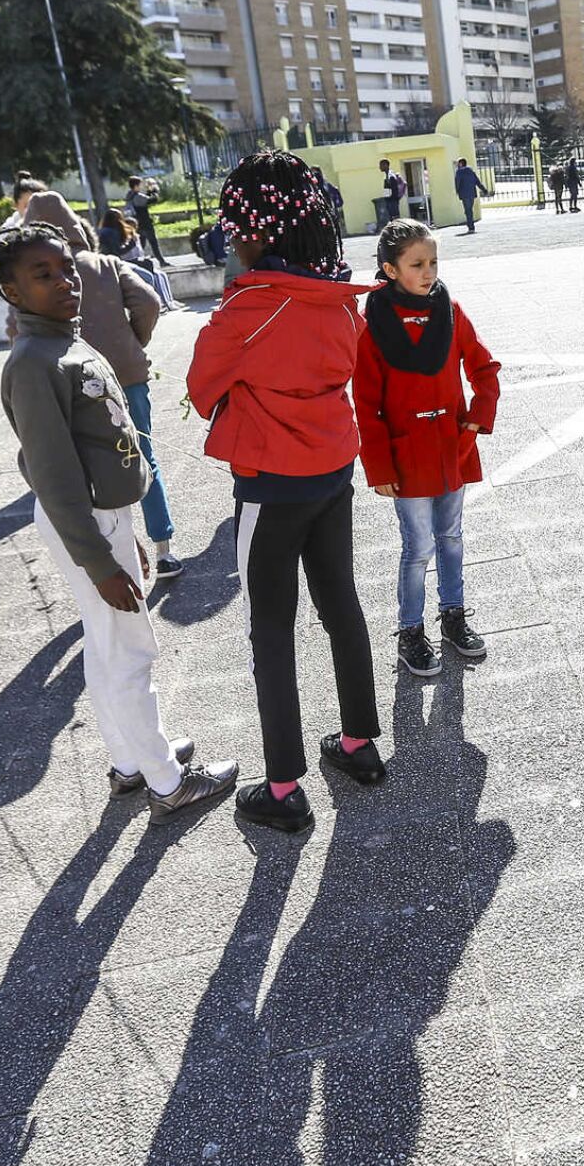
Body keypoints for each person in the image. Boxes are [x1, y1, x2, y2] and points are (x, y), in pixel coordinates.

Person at [0, 221, 238, 824]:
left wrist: (123, 536)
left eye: (66, 268)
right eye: (42, 276)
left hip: (104, 519)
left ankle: (130, 760)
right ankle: (168, 781)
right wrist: (100, 560)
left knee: (105, 648)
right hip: (86, 521)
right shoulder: (33, 361)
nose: (64, 281)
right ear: (12, 292)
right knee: (130, 649)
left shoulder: (64, 344)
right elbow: (52, 474)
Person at [187, 150, 385, 833]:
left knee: (270, 628)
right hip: (334, 470)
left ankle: (283, 786)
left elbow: (199, 388)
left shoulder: (248, 310)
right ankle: (359, 745)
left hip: (270, 486)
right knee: (341, 605)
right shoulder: (338, 299)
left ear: (253, 231)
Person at [9, 193, 186, 580]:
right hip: (128, 373)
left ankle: (116, 551)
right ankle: (164, 549)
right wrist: (132, 345)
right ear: (77, 225)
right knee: (142, 455)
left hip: (69, 385)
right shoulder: (105, 263)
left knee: (88, 468)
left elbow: (16, 332)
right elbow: (149, 301)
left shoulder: (27, 276)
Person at [354, 219, 502, 676]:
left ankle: (453, 616)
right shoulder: (371, 324)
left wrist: (478, 418)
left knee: (452, 538)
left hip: (450, 446)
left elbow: (484, 368)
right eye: (416, 264)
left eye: (433, 262)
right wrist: (379, 468)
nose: (428, 271)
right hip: (405, 454)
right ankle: (410, 632)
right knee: (417, 547)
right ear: (390, 269)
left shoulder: (451, 310)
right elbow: (365, 403)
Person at [125, 175, 162, 259]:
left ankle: (139, 259)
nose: (142, 187)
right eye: (140, 185)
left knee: (141, 243)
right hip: (145, 223)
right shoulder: (137, 196)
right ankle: (161, 261)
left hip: (137, 223)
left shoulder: (130, 195)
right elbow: (152, 200)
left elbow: (144, 198)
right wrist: (154, 190)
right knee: (153, 242)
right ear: (136, 186)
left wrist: (149, 192)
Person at [453, 157, 492, 234]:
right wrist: (484, 190)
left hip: (464, 194)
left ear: (461, 164)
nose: (457, 165)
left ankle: (471, 227)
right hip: (472, 193)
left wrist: (457, 191)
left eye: (458, 163)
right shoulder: (471, 171)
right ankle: (471, 226)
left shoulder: (459, 172)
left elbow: (457, 182)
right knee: (469, 210)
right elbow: (477, 182)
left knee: (468, 211)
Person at [375, 158, 405, 232]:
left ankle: (398, 233)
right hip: (390, 200)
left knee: (395, 219)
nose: (380, 167)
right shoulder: (387, 175)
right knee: (392, 219)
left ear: (386, 165)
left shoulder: (391, 176)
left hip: (392, 200)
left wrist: (392, 199)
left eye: (381, 165)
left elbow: (394, 189)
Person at [312, 166, 346, 231]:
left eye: (315, 172)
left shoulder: (324, 184)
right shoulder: (323, 184)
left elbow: (333, 192)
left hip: (328, 207)